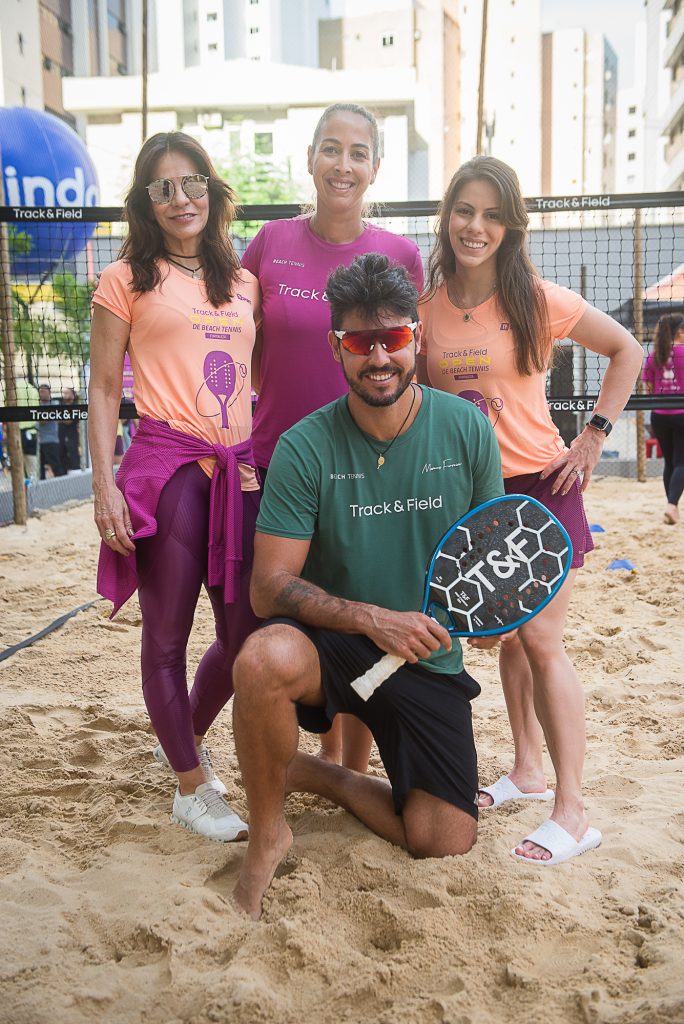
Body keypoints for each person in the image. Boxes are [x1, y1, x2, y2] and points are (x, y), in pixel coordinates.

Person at [230, 253, 507, 920]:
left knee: (443, 839)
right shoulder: (304, 447)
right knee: (261, 658)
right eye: (360, 342)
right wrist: (370, 618)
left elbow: (490, 560)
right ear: (337, 348)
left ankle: (314, 773)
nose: (378, 357)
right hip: (340, 647)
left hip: (426, 657)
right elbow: (269, 590)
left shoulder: (466, 429)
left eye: (393, 338)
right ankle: (269, 833)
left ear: (418, 335)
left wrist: (492, 616)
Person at [418, 156, 643, 865]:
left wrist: (594, 436)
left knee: (542, 644)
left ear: (510, 225)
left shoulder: (536, 299)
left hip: (544, 491)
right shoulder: (424, 309)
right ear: (446, 215)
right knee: (510, 641)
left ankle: (572, 810)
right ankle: (526, 769)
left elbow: (626, 350)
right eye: (464, 210)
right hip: (474, 495)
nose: (474, 226)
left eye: (490, 214)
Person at [89, 131, 261, 843]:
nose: (180, 198)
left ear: (211, 189)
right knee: (166, 636)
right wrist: (104, 485)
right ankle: (192, 788)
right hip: (166, 471)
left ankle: (182, 737)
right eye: (163, 187)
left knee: (243, 636)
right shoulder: (124, 278)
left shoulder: (245, 281)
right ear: (146, 201)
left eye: (191, 182)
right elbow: (102, 390)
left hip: (238, 473)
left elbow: (262, 380)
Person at [241, 103, 425, 769]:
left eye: (357, 152)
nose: (342, 164)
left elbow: (411, 366)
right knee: (291, 621)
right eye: (330, 149)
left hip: (371, 468)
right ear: (311, 157)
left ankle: (349, 769)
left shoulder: (402, 256)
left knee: (364, 614)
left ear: (374, 167)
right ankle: (305, 763)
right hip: (278, 469)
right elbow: (237, 347)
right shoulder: (268, 244)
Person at [642, 313, 684, 525]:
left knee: (670, 461)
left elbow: (648, 388)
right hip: (682, 413)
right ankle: (672, 505)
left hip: (659, 414)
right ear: (679, 331)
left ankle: (672, 506)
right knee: (681, 462)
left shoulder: (654, 355)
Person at [38, 384, 65, 479]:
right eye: (40, 392)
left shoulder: (54, 404)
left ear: (49, 393)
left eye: (43, 392)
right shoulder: (38, 405)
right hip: (40, 441)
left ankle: (62, 487)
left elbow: (43, 421)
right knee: (40, 469)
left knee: (56, 466)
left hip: (51, 440)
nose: (41, 394)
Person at [59, 387, 81, 472]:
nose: (65, 395)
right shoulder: (61, 405)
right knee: (62, 452)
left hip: (72, 434)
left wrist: (60, 419)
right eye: (64, 393)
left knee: (73, 451)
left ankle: (76, 470)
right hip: (62, 434)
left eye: (67, 393)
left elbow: (68, 421)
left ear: (73, 395)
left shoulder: (76, 406)